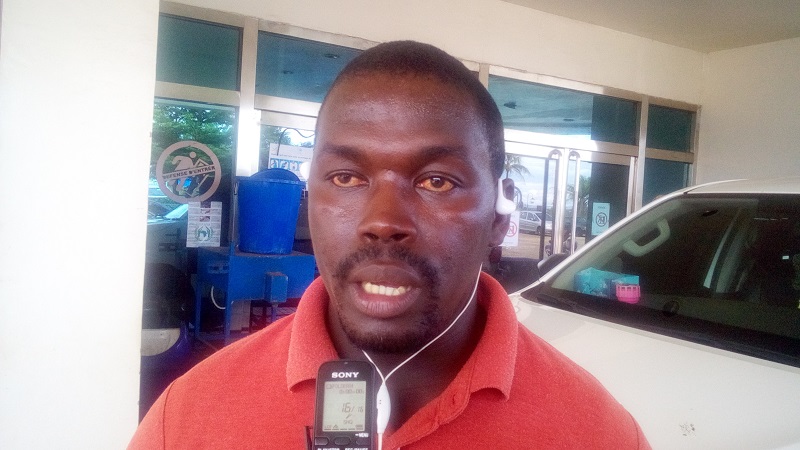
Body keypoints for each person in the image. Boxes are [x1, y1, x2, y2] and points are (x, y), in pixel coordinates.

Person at [130, 41, 650, 449]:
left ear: (498, 214)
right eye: (347, 178)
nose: (382, 222)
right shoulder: (187, 420)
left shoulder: (599, 434)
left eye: (436, 181)